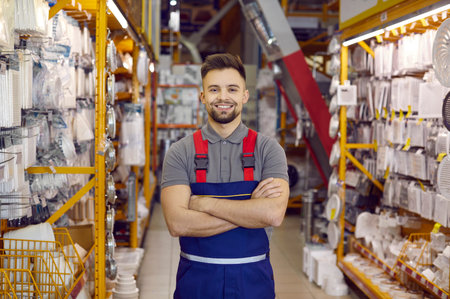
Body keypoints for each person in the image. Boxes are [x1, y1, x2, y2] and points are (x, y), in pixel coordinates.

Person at [160, 53, 289, 299]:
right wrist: (252, 210)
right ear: (203, 96)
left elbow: (273, 214)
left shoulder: (268, 150)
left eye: (232, 89)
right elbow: (177, 223)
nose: (223, 97)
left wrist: (203, 204)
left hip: (253, 282)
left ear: (244, 95)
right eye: (214, 89)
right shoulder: (180, 153)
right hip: (197, 283)